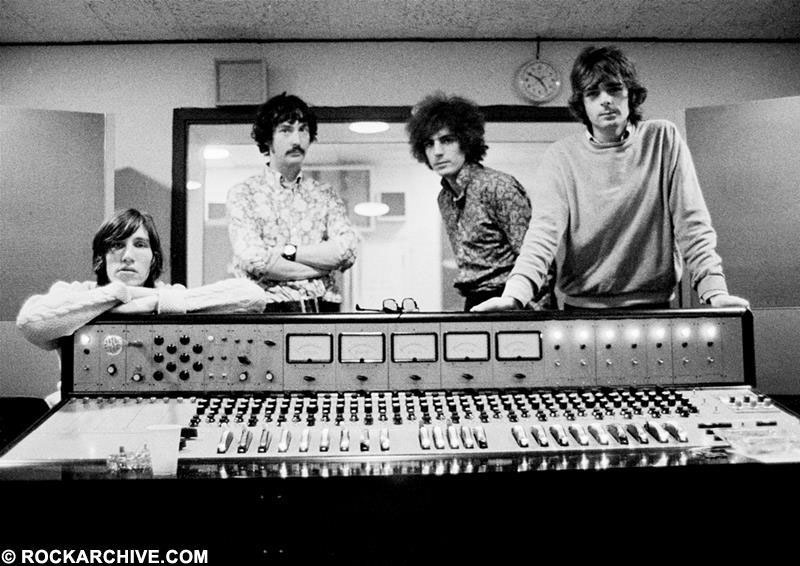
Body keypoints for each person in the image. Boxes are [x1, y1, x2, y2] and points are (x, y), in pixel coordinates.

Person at [473, 46, 749, 312]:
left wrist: (714, 290)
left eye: (614, 89)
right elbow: (543, 233)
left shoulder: (663, 139)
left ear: (631, 95)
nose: (605, 99)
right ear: (582, 104)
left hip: (655, 307)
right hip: (582, 309)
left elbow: (691, 223)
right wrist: (515, 295)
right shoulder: (561, 156)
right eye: (593, 93)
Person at [16, 208, 267, 403]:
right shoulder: (77, 293)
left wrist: (151, 300)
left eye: (139, 244)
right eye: (117, 245)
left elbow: (252, 296)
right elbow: (30, 323)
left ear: (153, 258)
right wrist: (117, 293)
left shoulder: (168, 295)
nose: (127, 256)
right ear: (102, 257)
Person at [406, 92, 555, 311]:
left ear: (466, 141)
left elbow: (538, 259)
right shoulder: (445, 198)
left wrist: (537, 317)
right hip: (474, 300)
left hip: (513, 301)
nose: (437, 152)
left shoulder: (497, 186)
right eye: (429, 143)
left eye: (447, 140)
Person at [226, 92, 358, 313]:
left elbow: (347, 251)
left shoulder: (325, 194)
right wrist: (323, 267)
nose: (296, 140)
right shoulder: (244, 194)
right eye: (286, 130)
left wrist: (288, 252)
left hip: (324, 310)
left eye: (303, 129)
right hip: (270, 312)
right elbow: (256, 260)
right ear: (268, 138)